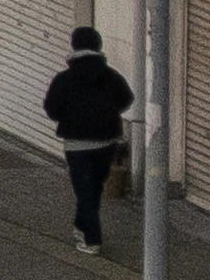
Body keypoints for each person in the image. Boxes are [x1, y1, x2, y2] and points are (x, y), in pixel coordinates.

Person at [42, 25, 140, 251]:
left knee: (85, 189)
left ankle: (91, 239)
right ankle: (81, 224)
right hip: (107, 142)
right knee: (93, 188)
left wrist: (69, 118)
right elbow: (127, 98)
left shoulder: (64, 79)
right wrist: (107, 114)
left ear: (74, 45)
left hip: (76, 143)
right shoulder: (111, 76)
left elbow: (52, 107)